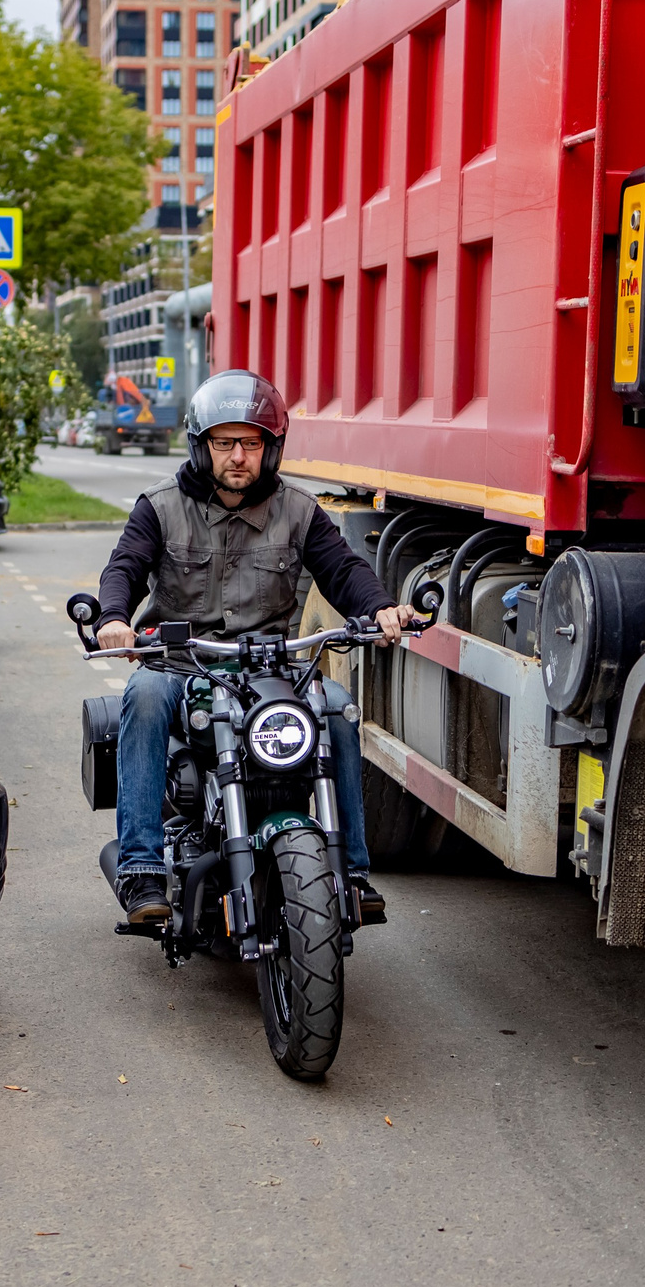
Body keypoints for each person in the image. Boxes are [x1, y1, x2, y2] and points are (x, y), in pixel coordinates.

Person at [94, 371, 421, 928]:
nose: (238, 456)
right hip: (180, 663)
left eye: (251, 442)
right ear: (202, 446)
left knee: (337, 707)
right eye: (224, 442)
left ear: (271, 448)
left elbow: (343, 570)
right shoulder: (160, 507)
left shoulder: (298, 510)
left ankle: (353, 871)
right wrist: (114, 618)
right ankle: (141, 870)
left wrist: (381, 608)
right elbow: (124, 567)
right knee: (144, 696)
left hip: (268, 667)